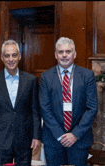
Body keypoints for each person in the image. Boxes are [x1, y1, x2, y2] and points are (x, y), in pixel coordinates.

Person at [39, 37, 98, 165]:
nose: (64, 55)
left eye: (68, 51)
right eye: (60, 52)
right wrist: (60, 135)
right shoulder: (46, 77)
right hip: (53, 139)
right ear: (55, 54)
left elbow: (92, 108)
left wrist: (75, 134)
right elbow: (45, 108)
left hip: (79, 139)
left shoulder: (87, 76)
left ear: (74, 54)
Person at [0, 39, 41, 166]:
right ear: (2, 58)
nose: (11, 59)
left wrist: (36, 136)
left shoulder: (31, 81)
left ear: (19, 56)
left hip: (25, 139)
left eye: (14, 55)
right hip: (0, 141)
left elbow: (35, 111)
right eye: (7, 55)